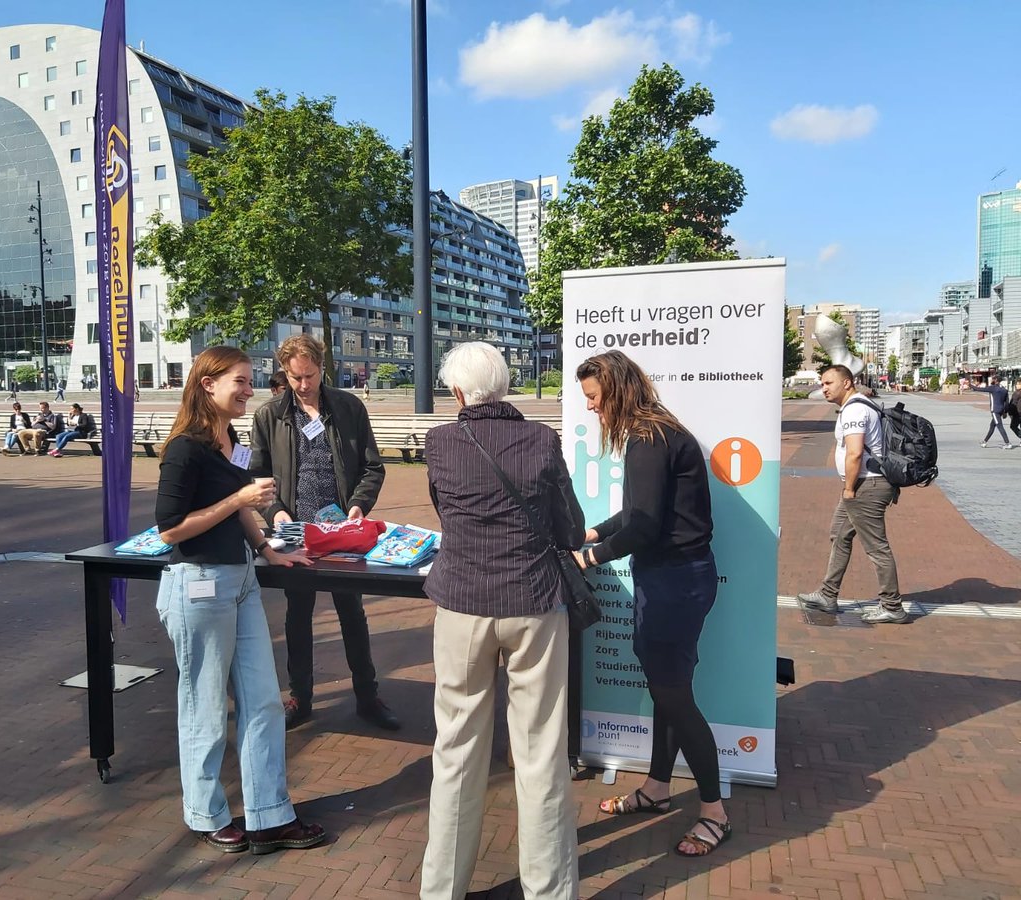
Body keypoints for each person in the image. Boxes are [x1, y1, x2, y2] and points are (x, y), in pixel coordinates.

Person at [419, 343, 584, 900]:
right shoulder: (541, 439)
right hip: (534, 603)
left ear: (459, 393)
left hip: (462, 601)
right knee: (540, 749)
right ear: (507, 385)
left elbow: (445, 508)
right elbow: (568, 527)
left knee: (457, 748)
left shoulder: (440, 441)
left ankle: (442, 890)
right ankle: (550, 890)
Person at [155, 345, 325, 855]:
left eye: (252, 382)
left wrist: (269, 550)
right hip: (200, 584)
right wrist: (239, 499)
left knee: (264, 703)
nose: (251, 391)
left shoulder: (231, 439)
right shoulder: (186, 448)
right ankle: (205, 813)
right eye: (242, 382)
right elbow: (170, 530)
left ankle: (271, 815)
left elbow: (238, 513)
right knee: (204, 708)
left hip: (242, 581)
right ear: (208, 384)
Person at [575, 350, 732, 858]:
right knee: (669, 691)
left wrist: (588, 557)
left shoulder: (647, 439)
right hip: (680, 579)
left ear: (617, 389)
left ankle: (714, 812)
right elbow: (642, 510)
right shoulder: (659, 431)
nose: (594, 411)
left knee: (675, 700)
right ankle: (658, 790)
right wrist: (596, 530)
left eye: (596, 400)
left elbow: (644, 525)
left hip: (672, 584)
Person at [249, 334, 397, 731]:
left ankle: (367, 695)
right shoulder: (269, 416)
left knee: (352, 612)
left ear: (321, 367)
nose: (303, 385)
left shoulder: (348, 407)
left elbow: (372, 466)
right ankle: (301, 697)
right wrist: (275, 512)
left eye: (309, 375)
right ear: (284, 372)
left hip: (341, 531)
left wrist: (357, 506)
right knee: (298, 616)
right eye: (295, 377)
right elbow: (257, 477)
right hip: (295, 532)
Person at [798, 364, 907, 624]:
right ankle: (828, 594)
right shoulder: (858, 405)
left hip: (865, 486)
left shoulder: (855, 409)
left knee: (876, 546)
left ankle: (892, 605)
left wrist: (848, 489)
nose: (823, 388)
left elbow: (855, 452)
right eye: (822, 383)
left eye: (828, 383)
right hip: (863, 484)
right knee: (839, 535)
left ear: (847, 383)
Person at [971, 375, 1015, 449]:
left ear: (996, 380)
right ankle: (984, 442)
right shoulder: (1004, 390)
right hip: (1001, 410)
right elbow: (1006, 402)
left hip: (995, 410)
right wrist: (1005, 412)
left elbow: (979, 389)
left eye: (993, 379)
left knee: (999, 426)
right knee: (992, 426)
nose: (992, 380)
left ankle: (1007, 443)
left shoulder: (993, 388)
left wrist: (969, 385)